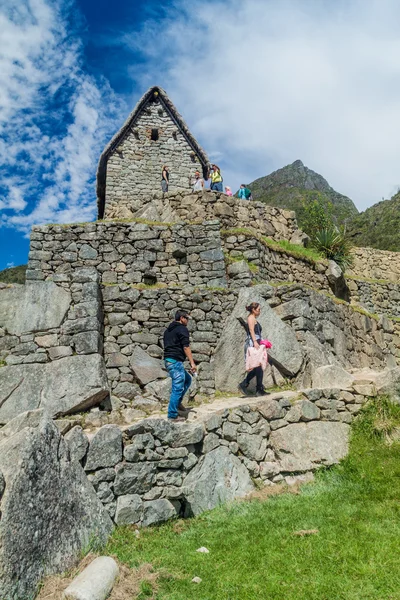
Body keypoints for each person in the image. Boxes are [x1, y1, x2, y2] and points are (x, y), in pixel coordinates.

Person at [163, 310, 197, 421]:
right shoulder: (182, 329)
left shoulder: (168, 330)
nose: (187, 321)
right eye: (186, 318)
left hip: (169, 361)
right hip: (175, 362)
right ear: (182, 318)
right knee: (177, 388)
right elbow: (186, 347)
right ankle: (172, 415)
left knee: (187, 380)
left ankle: (177, 403)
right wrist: (192, 363)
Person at [238, 302, 268, 397]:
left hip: (258, 341)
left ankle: (255, 387)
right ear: (253, 310)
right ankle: (255, 388)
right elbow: (251, 330)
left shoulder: (254, 318)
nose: (260, 311)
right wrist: (255, 342)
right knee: (258, 366)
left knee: (259, 366)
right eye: (258, 309)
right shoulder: (251, 318)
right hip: (254, 342)